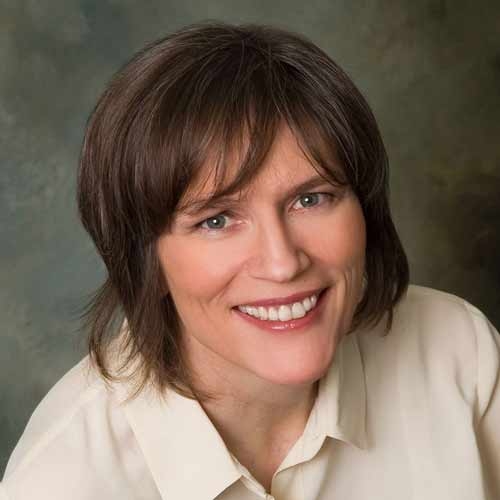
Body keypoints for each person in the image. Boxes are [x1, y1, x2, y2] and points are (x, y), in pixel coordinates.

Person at [1, 21, 499, 500]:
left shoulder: (459, 353)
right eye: (216, 220)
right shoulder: (62, 483)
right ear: (144, 260)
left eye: (311, 199)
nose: (282, 264)